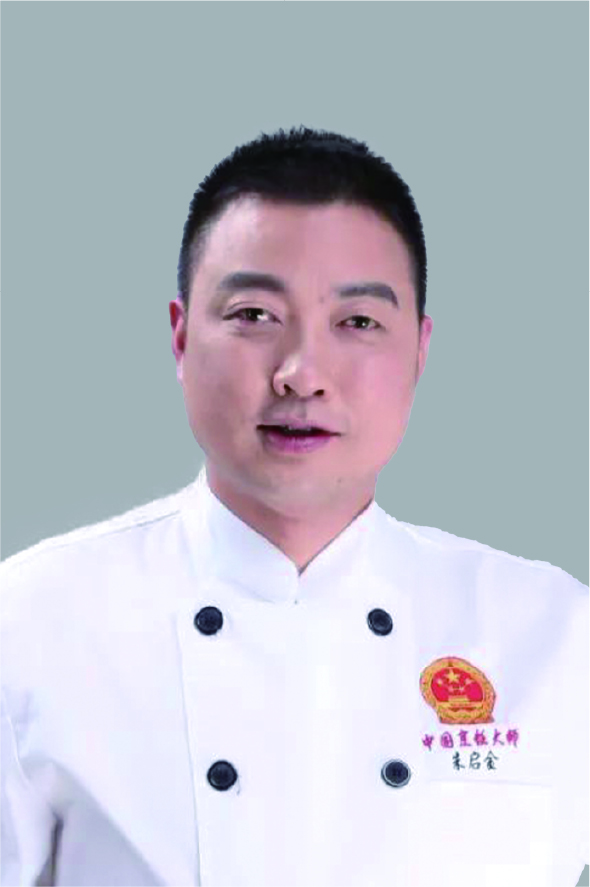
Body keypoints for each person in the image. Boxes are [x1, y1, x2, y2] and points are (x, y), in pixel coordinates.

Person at [1, 125, 587, 887]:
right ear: (180, 337)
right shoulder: (31, 620)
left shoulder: (557, 633)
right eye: (254, 315)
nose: (302, 374)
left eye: (358, 322)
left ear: (419, 349)